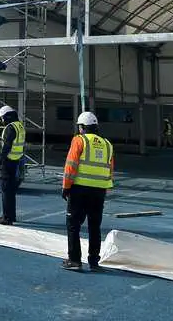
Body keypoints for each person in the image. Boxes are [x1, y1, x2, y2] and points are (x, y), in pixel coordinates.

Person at [61, 111, 114, 272]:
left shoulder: (79, 140)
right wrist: (104, 187)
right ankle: (94, 261)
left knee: (73, 225)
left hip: (79, 189)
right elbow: (110, 169)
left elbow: (71, 165)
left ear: (82, 127)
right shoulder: (107, 144)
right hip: (99, 191)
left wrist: (66, 186)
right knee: (94, 226)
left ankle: (74, 260)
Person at [0, 105, 25, 226]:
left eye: (2, 118)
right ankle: (12, 215)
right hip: (16, 160)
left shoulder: (10, 128)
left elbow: (6, 146)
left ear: (7, 116)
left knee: (5, 190)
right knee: (11, 190)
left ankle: (7, 218)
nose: (2, 120)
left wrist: (0, 162)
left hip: (7, 161)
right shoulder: (20, 126)